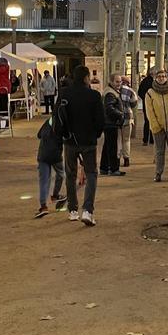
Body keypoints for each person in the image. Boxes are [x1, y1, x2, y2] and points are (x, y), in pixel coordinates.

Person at [54, 65, 104, 226]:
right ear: (86, 78)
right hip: (88, 141)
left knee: (70, 174)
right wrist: (95, 134)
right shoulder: (94, 95)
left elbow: (56, 117)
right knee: (91, 174)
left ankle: (72, 210)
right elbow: (100, 120)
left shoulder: (64, 94)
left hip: (69, 141)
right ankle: (88, 211)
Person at [100, 74, 127, 176]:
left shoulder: (111, 91)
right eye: (117, 81)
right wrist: (121, 114)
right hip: (111, 123)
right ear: (111, 82)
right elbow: (109, 108)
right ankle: (114, 169)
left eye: (120, 82)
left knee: (107, 146)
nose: (119, 84)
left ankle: (104, 168)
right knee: (113, 147)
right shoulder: (110, 94)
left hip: (109, 123)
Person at [119, 76, 137, 169]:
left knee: (118, 139)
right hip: (128, 117)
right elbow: (134, 103)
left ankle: (117, 158)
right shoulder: (131, 91)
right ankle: (126, 159)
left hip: (117, 118)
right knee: (126, 140)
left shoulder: (115, 90)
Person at [138, 69, 155, 145]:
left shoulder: (144, 81)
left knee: (147, 121)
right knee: (152, 121)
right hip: (152, 103)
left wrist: (144, 99)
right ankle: (151, 139)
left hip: (146, 103)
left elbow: (139, 92)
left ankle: (145, 140)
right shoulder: (153, 83)